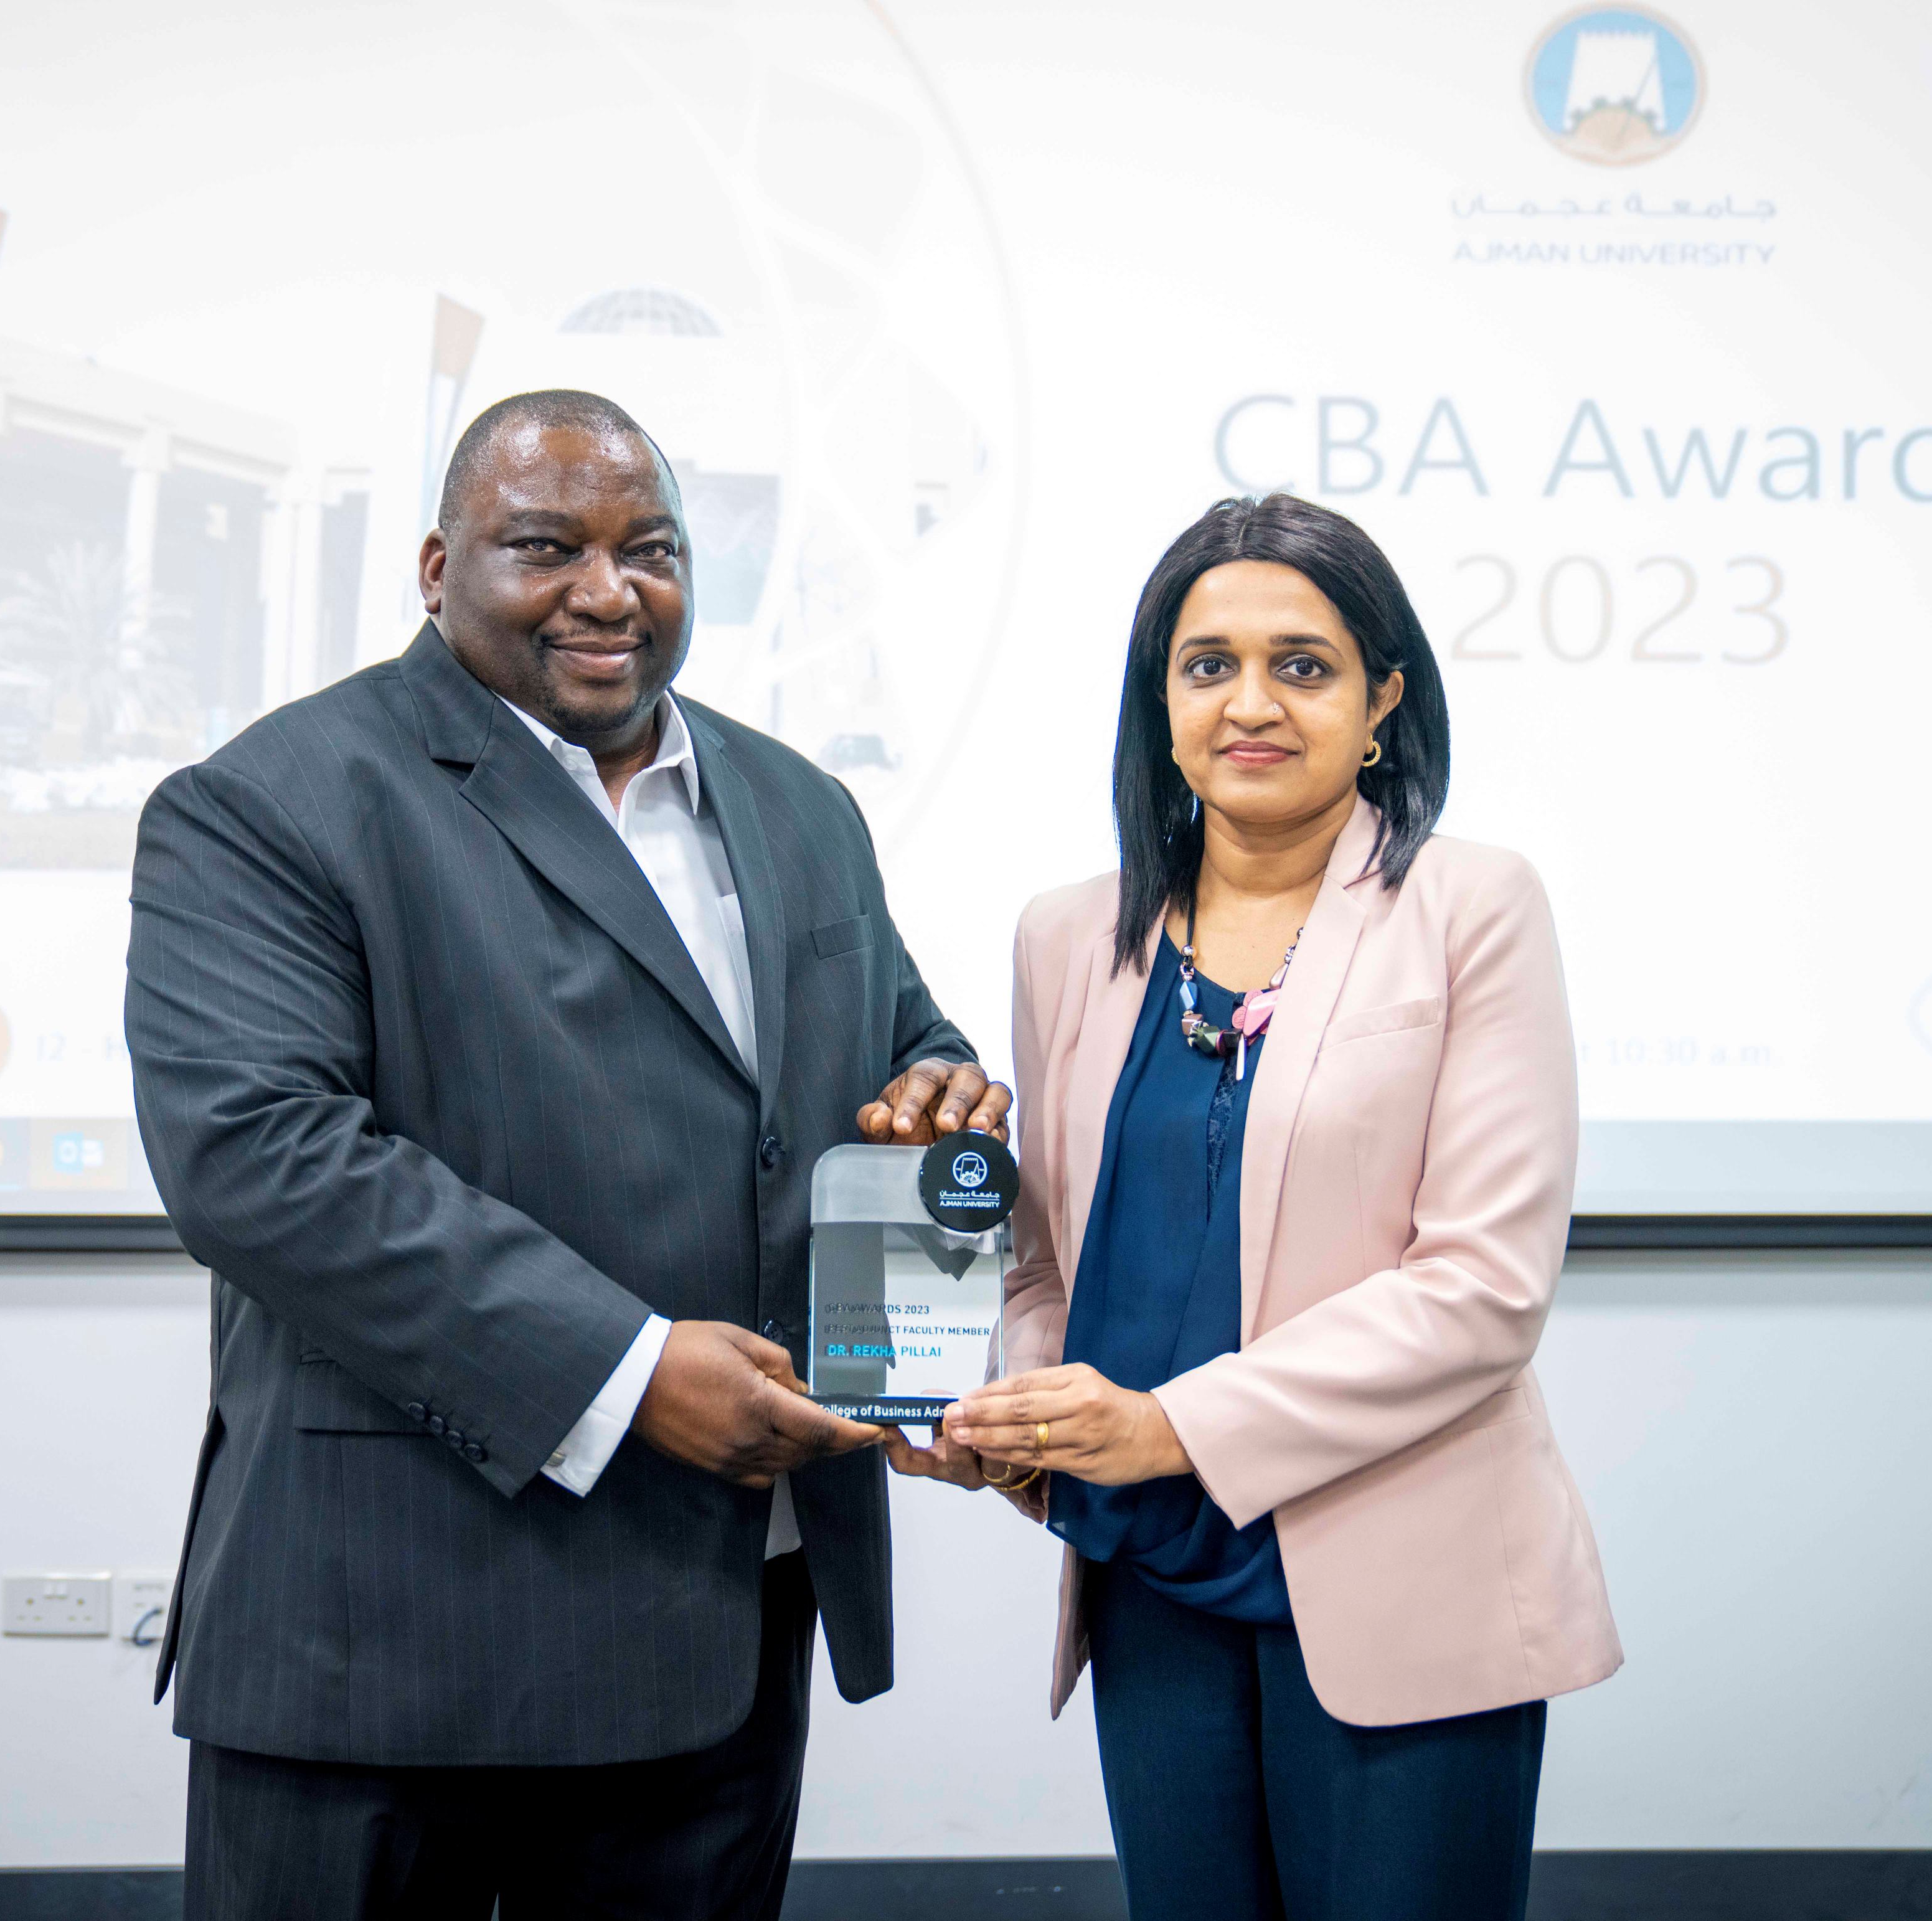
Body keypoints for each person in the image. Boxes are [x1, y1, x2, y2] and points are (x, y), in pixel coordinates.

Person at [125, 389, 1009, 1921]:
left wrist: (936, 1087)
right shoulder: (271, 803)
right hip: (393, 1633)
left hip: (727, 1619)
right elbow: (259, 1161)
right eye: (546, 547)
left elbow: (896, 1040)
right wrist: (629, 1369)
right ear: (435, 568)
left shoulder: (800, 804)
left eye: (649, 549)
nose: (609, 591)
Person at [914, 493, 1619, 1920]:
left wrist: (1168, 1425)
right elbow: (1046, 1264)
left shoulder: (1473, 907)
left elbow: (1482, 1289)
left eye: (1302, 664)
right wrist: (1015, 1416)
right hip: (1148, 1577)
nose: (1250, 702)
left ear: (1382, 701)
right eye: (1206, 664)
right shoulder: (1067, 934)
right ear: (1159, 699)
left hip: (1402, 1575)